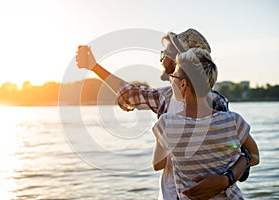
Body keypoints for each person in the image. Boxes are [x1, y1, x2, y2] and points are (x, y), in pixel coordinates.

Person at [76, 28, 252, 200]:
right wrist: (94, 67)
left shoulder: (215, 103)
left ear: (181, 60)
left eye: (165, 54)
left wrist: (224, 180)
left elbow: (243, 155)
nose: (161, 59)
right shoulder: (165, 97)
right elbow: (129, 94)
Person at [152, 48, 259, 199]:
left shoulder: (167, 124)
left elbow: (158, 164)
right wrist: (228, 176)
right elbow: (254, 157)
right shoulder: (234, 121)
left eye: (173, 76)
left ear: (183, 84)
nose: (171, 80)